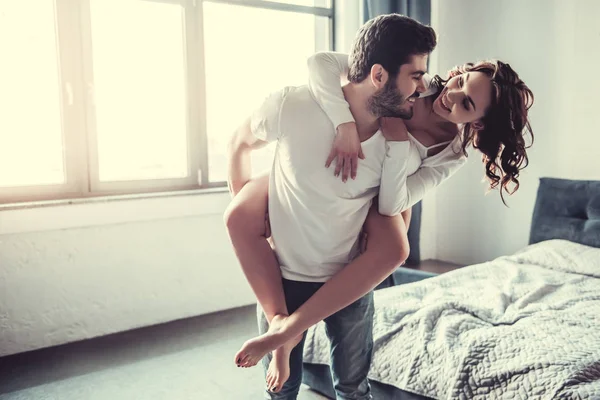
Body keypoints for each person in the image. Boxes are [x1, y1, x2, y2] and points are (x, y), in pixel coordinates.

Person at [226, 14, 534, 400]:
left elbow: (393, 203)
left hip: (385, 200)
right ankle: (283, 327)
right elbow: (322, 65)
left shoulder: (453, 153)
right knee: (240, 211)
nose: (450, 96)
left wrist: (397, 144)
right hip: (360, 182)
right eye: (459, 82)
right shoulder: (412, 81)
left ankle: (286, 332)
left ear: (479, 124)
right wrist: (343, 124)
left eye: (466, 103)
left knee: (396, 246)